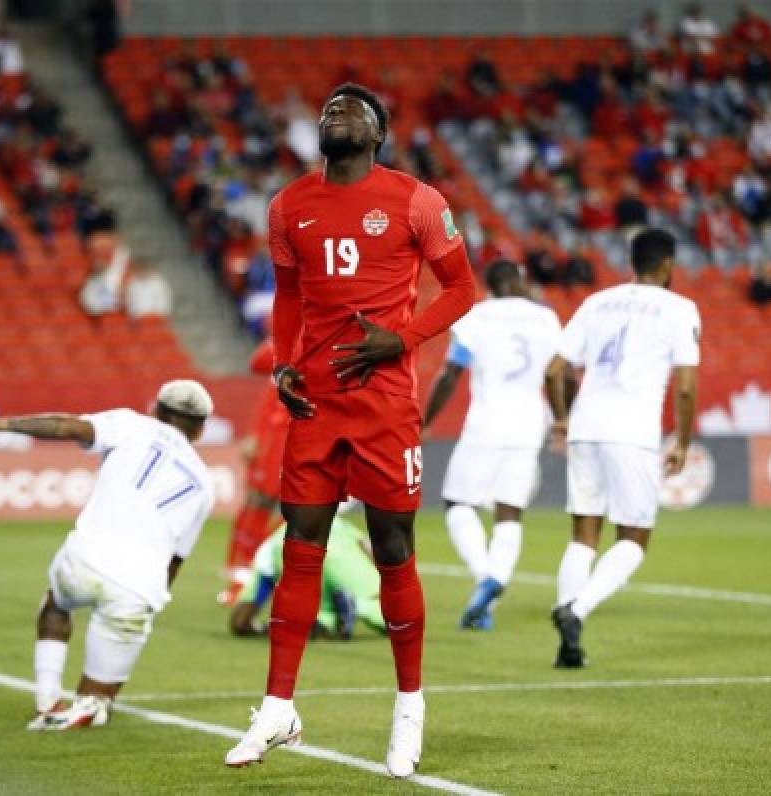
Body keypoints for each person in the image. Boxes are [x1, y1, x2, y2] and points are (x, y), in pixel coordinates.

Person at [224, 82, 476, 778]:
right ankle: (277, 706)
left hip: (387, 403)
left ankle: (409, 706)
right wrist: (281, 365)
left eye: (353, 109)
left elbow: (461, 290)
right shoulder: (287, 207)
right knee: (301, 541)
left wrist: (402, 338)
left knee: (394, 548)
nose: (337, 112)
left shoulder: (418, 200)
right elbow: (290, 297)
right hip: (316, 405)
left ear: (377, 132)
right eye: (330, 107)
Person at [0, 380, 215, 730]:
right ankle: (87, 705)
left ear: (156, 409)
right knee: (96, 700)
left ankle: (47, 697)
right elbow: (175, 559)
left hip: (83, 562)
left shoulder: (131, 423)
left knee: (56, 602)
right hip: (137, 588)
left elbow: (65, 425)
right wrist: (150, 600)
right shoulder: (205, 483)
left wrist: (1, 425)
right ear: (200, 429)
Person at [544, 228, 700, 668]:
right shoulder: (680, 308)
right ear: (667, 264)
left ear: (633, 262)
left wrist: (561, 417)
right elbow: (686, 387)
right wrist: (683, 441)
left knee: (584, 535)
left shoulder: (597, 303)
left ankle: (567, 647)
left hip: (586, 427)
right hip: (631, 432)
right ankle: (575, 610)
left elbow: (555, 370)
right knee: (634, 537)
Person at [422, 260, 561, 630]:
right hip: (531, 424)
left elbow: (452, 372)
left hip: (486, 422)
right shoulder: (545, 319)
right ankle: (493, 587)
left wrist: (425, 422)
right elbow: (559, 373)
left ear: (490, 286)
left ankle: (486, 576)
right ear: (520, 279)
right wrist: (564, 419)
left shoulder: (476, 317)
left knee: (457, 503)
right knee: (509, 511)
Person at [230, 511, 385, 640]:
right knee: (392, 617)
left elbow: (241, 618)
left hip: (293, 556)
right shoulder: (337, 522)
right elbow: (370, 548)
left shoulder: (273, 543)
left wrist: (251, 626)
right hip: (344, 564)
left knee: (317, 610)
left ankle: (317, 622)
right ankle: (358, 606)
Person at [220, 340, 290, 605]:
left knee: (296, 512)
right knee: (257, 501)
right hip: (274, 437)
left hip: (298, 434)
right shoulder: (292, 339)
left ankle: (257, 573)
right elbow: (258, 363)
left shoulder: (329, 338)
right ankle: (239, 578)